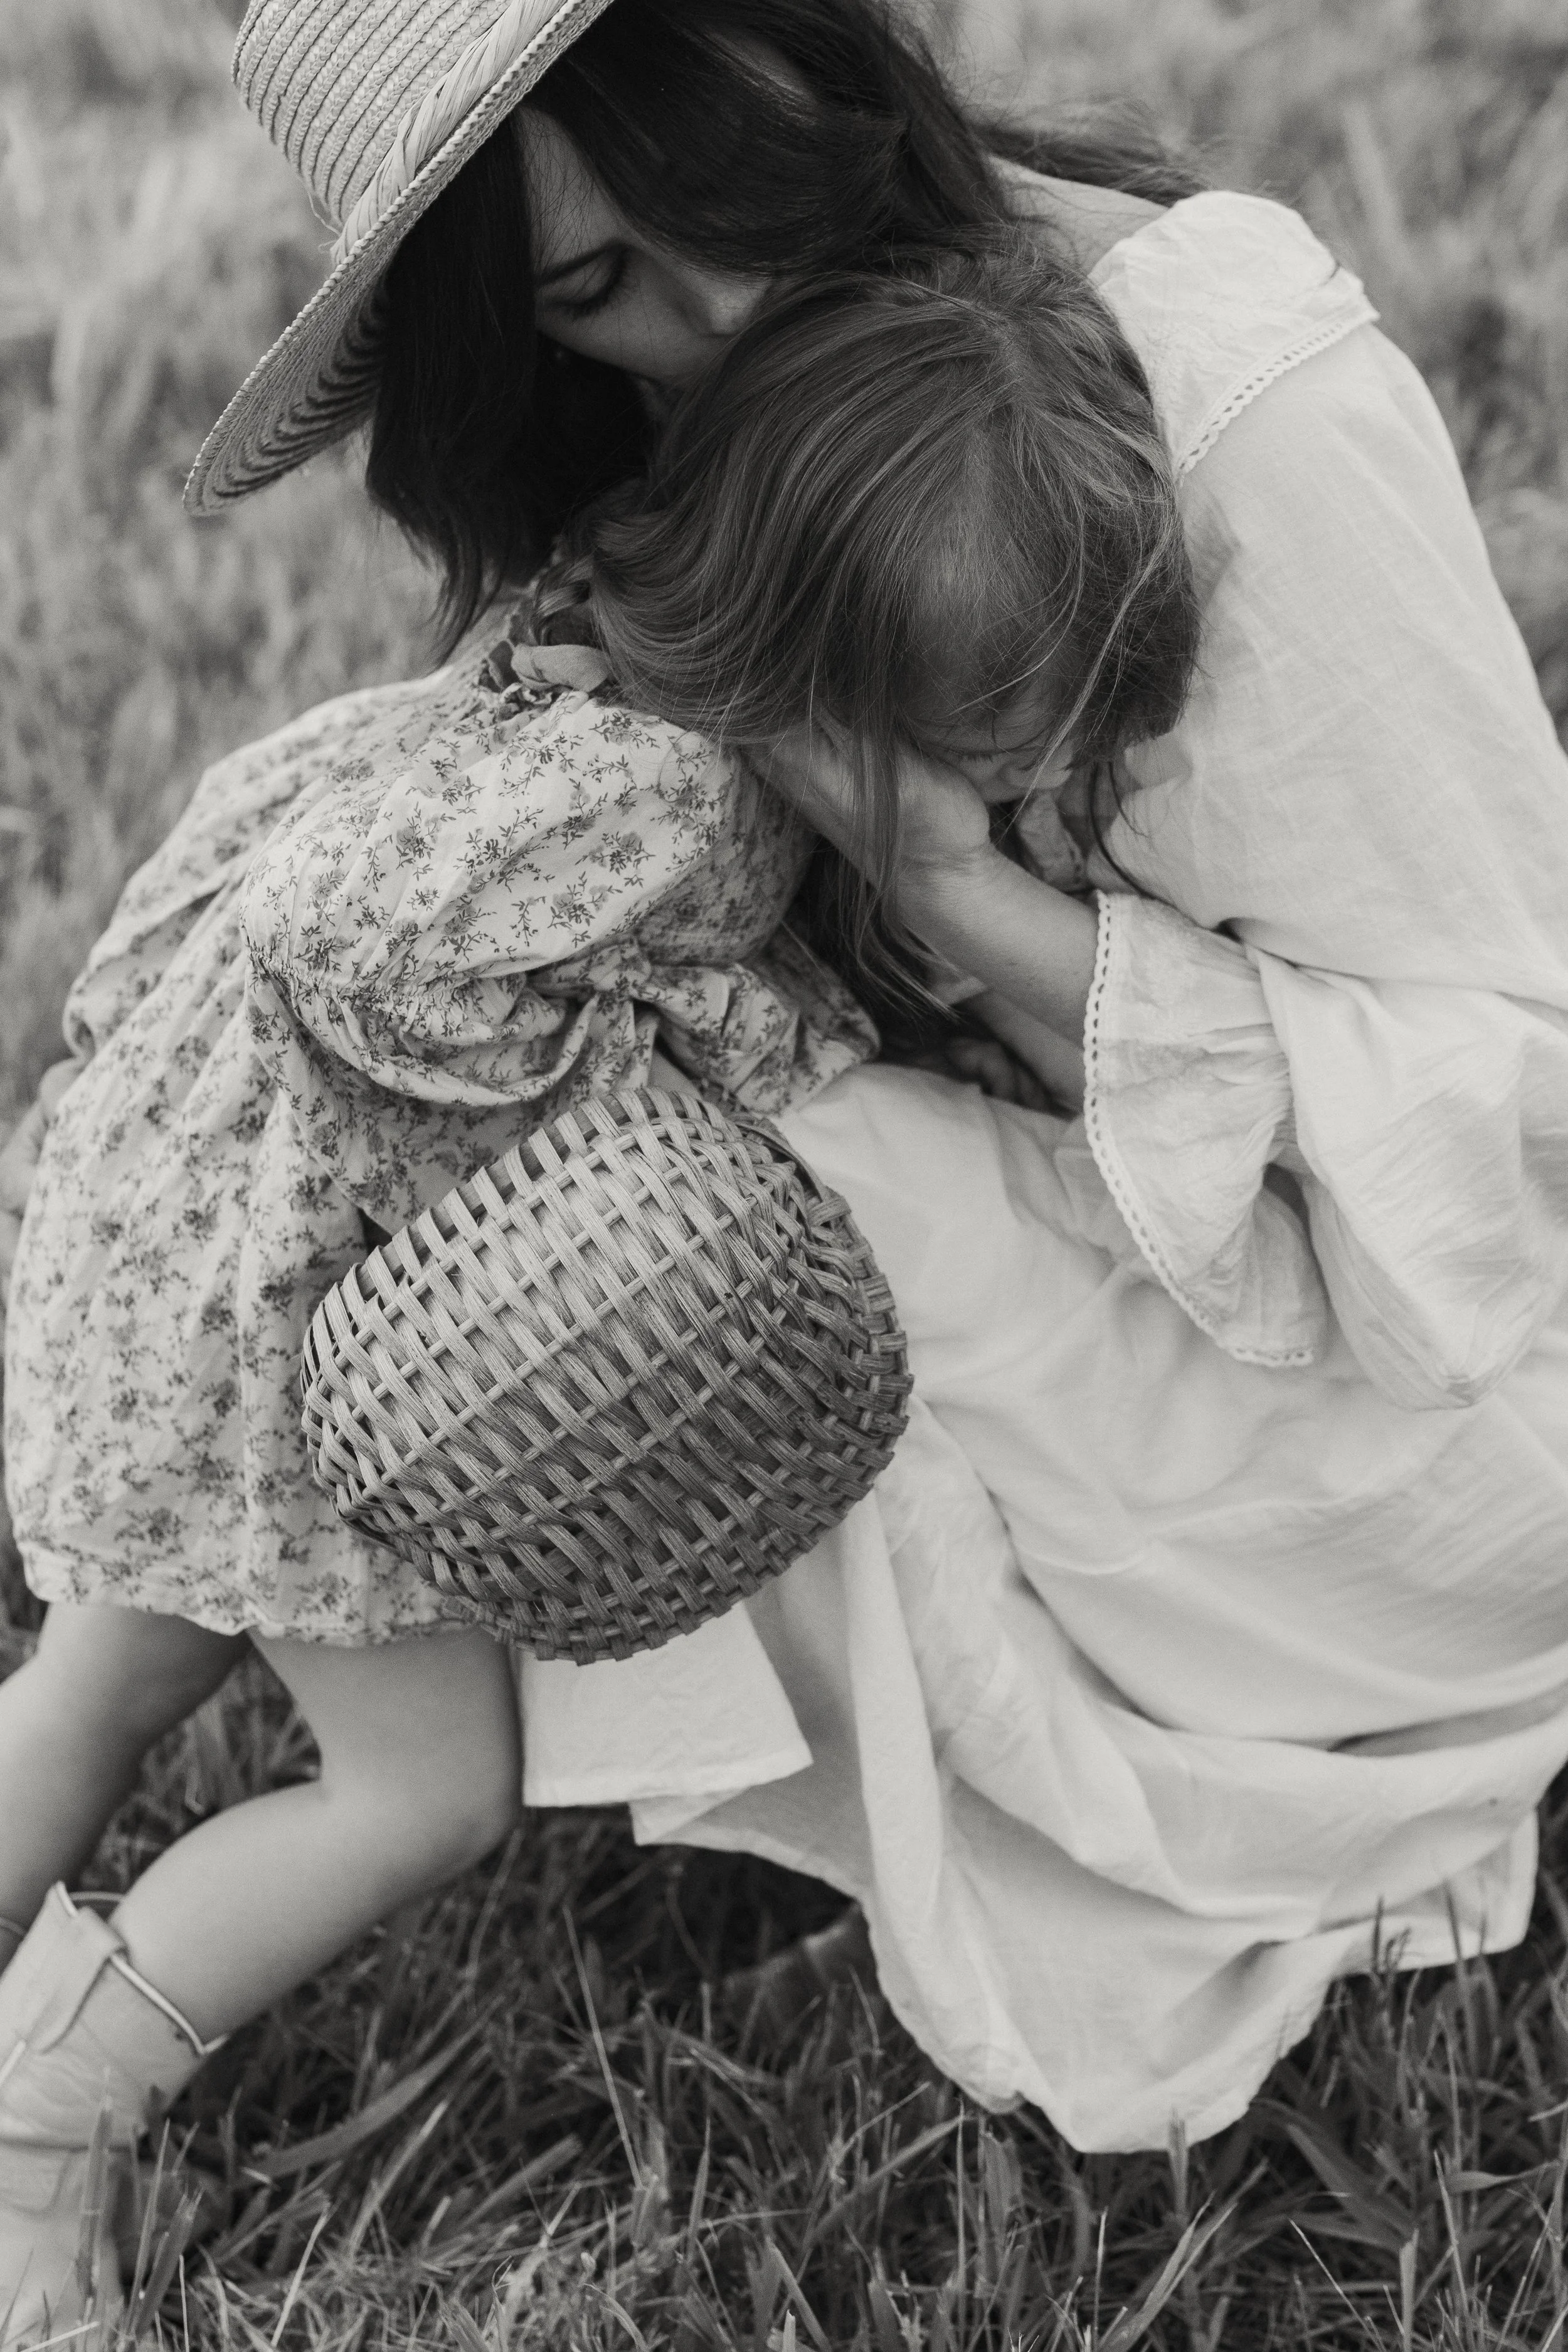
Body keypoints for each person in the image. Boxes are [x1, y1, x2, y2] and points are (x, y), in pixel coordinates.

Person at [0, 0, 1559, 2284]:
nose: (718, 307)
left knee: (653, 1246)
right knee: (336, 1549)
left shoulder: (1232, 399)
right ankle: (47, 2084)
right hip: (446, 1216)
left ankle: (52, 2055)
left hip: (1402, 1335)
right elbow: (386, 952)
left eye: (711, 189)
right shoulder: (699, 514)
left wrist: (949, 895)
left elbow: (1507, 1099)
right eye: (593, 287)